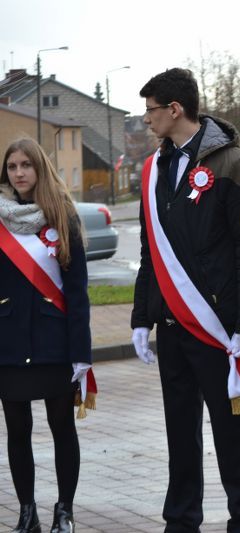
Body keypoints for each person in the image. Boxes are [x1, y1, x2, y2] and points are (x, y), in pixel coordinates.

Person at [130, 68, 240, 532]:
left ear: (174, 110)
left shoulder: (232, 163)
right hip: (172, 324)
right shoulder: (156, 169)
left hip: (217, 325)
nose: (145, 120)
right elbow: (152, 251)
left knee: (231, 432)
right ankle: (182, 519)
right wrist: (140, 318)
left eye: (150, 110)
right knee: (180, 433)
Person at [0, 138, 91, 533]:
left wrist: (82, 354)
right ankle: (27, 512)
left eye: (26, 165)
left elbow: (78, 291)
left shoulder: (63, 215)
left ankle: (64, 511)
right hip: (8, 342)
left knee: (61, 428)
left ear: (39, 168)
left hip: (55, 343)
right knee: (17, 431)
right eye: (12, 167)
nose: (19, 173)